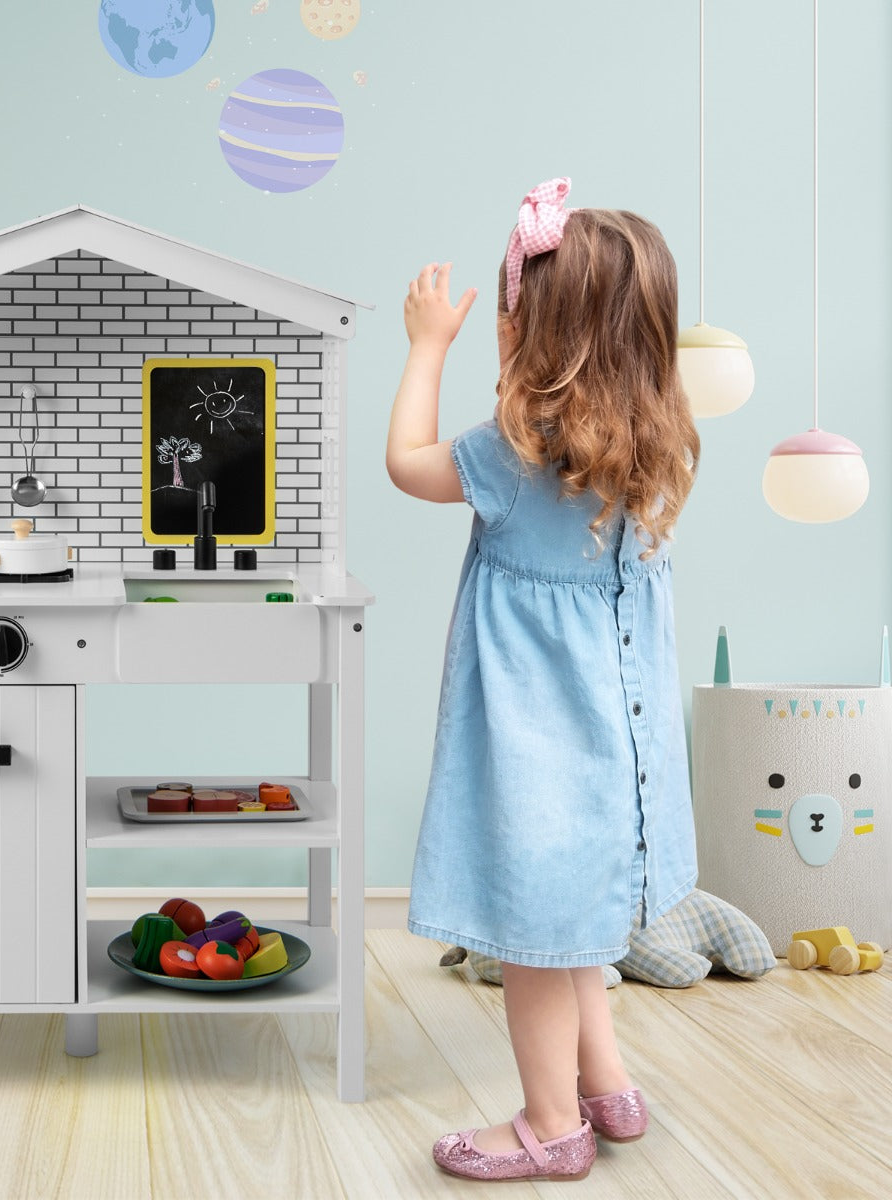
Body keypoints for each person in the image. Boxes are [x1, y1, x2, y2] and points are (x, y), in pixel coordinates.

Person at [385, 178, 700, 1183]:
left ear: (539, 333)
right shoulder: (653, 460)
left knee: (534, 943)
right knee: (577, 937)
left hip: (538, 760)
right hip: (622, 767)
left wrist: (426, 346)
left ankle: (551, 1125)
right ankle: (606, 1083)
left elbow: (404, 462)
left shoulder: (511, 457)